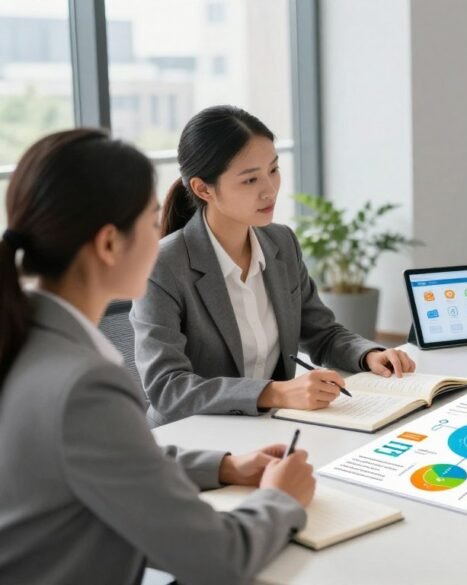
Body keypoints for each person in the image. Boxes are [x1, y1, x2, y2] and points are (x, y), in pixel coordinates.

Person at [0, 129, 316, 584]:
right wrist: (282, 500)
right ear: (109, 244)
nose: (162, 236)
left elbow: (107, 456)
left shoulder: (27, 335)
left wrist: (224, 466)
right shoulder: (83, 383)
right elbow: (217, 558)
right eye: (151, 222)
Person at [131, 105, 416, 426]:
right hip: (190, 439)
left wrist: (367, 355)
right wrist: (275, 393)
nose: (270, 189)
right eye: (250, 179)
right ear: (202, 188)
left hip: (269, 428)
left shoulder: (280, 243)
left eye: (274, 170)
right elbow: (168, 388)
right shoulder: (161, 266)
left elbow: (321, 333)